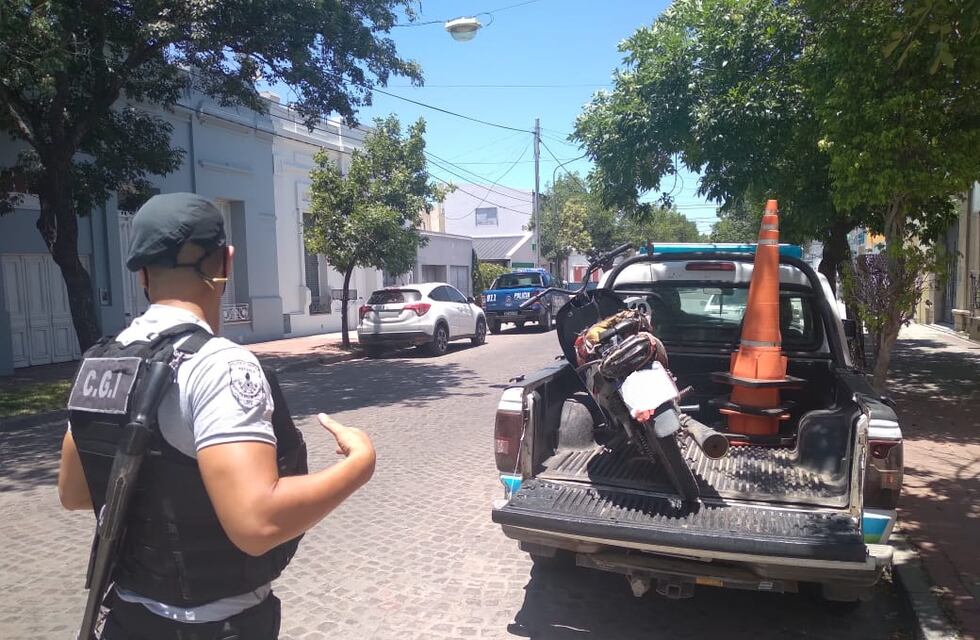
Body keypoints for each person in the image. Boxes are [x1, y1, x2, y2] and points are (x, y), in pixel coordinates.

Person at [57, 193, 376, 639]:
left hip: (126, 621)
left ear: (142, 274)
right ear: (224, 262)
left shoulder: (102, 362)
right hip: (214, 626)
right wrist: (359, 464)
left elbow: (74, 492)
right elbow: (257, 522)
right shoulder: (219, 364)